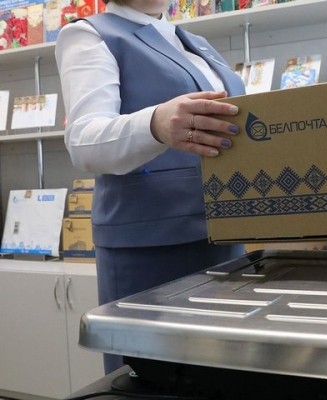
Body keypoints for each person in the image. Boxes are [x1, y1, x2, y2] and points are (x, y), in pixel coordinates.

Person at [55, 0, 246, 374]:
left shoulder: (194, 42)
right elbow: (83, 140)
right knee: (156, 379)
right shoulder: (90, 34)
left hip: (224, 239)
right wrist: (155, 124)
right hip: (151, 249)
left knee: (224, 377)